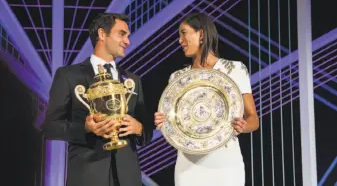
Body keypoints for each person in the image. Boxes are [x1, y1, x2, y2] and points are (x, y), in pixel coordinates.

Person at [42, 13, 153, 186]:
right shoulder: (69, 75)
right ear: (102, 34)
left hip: (127, 178)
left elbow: (146, 131)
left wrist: (139, 128)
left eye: (128, 36)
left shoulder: (133, 80)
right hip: (87, 176)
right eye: (122, 34)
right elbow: (50, 127)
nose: (127, 41)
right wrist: (85, 128)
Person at [154, 13, 259, 186]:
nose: (180, 40)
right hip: (188, 167)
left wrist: (244, 126)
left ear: (201, 34)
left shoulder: (235, 69)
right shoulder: (177, 78)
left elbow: (253, 118)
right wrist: (163, 121)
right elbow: (172, 123)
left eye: (184, 33)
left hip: (225, 165)